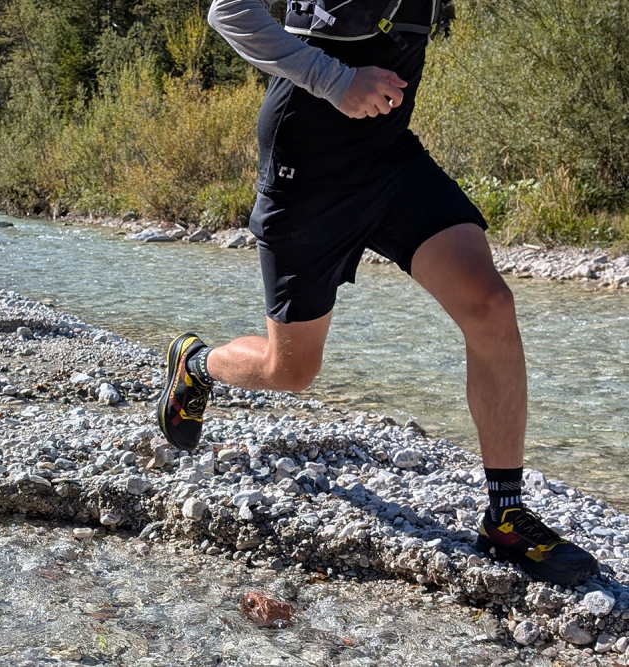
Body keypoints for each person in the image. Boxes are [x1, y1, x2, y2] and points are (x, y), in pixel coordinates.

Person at [156, 0, 598, 585]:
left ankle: (505, 515)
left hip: (390, 159)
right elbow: (228, 11)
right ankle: (196, 363)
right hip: (307, 169)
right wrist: (334, 80)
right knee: (291, 369)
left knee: (491, 305)